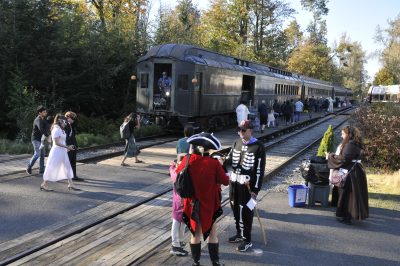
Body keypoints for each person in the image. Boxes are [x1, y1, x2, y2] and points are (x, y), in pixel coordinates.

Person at [176, 132, 229, 266]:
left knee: (195, 233)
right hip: (209, 204)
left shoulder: (188, 160)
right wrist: (221, 164)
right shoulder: (213, 163)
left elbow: (178, 173)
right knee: (212, 233)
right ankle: (215, 263)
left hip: (192, 204)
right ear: (208, 148)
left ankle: (196, 262)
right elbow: (225, 181)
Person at [224, 120, 266, 252]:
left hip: (248, 186)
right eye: (239, 130)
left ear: (250, 130)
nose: (240, 132)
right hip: (234, 183)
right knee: (236, 209)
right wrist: (222, 161)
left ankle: (247, 240)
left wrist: (255, 190)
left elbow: (259, 170)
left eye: (243, 130)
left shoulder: (258, 146)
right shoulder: (236, 143)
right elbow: (230, 160)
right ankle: (239, 233)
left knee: (246, 212)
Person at [325, 126, 369, 225]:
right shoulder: (355, 143)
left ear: (349, 135)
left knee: (346, 194)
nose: (341, 136)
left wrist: (330, 156)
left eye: (343, 134)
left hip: (351, 173)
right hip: (355, 171)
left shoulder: (350, 145)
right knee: (352, 195)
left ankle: (345, 216)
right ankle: (347, 215)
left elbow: (344, 159)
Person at [169, 125, 194, 256]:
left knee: (182, 218)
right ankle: (175, 244)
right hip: (180, 197)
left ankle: (179, 241)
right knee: (177, 219)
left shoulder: (179, 142)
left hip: (181, 196)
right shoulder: (178, 171)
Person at [40, 114, 78, 191]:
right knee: (52, 168)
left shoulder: (60, 129)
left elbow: (62, 141)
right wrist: (67, 147)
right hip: (56, 152)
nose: (66, 124)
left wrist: (67, 148)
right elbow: (56, 143)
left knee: (67, 167)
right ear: (60, 121)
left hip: (62, 151)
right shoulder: (56, 129)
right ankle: (44, 184)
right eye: (65, 122)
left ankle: (71, 184)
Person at [26, 106, 49, 175]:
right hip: (36, 139)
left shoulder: (43, 119)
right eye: (44, 112)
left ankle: (41, 169)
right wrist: (48, 136)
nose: (46, 113)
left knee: (42, 155)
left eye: (45, 112)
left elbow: (48, 126)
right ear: (40, 113)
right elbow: (41, 129)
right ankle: (29, 167)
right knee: (37, 154)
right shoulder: (38, 120)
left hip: (41, 140)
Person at [65, 111, 83, 182]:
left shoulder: (69, 125)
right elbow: (66, 137)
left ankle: (73, 176)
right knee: (70, 162)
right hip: (70, 147)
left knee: (72, 162)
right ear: (68, 117)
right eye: (72, 118)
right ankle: (71, 176)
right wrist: (67, 146)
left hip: (72, 146)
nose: (73, 120)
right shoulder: (66, 126)